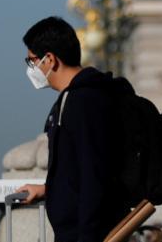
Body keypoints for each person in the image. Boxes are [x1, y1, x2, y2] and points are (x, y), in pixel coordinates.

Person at [13, 17, 127, 242]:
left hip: (86, 234)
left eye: (32, 61)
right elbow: (77, 170)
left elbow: (93, 175)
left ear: (50, 59)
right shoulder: (81, 97)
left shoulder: (82, 101)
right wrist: (47, 189)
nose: (31, 69)